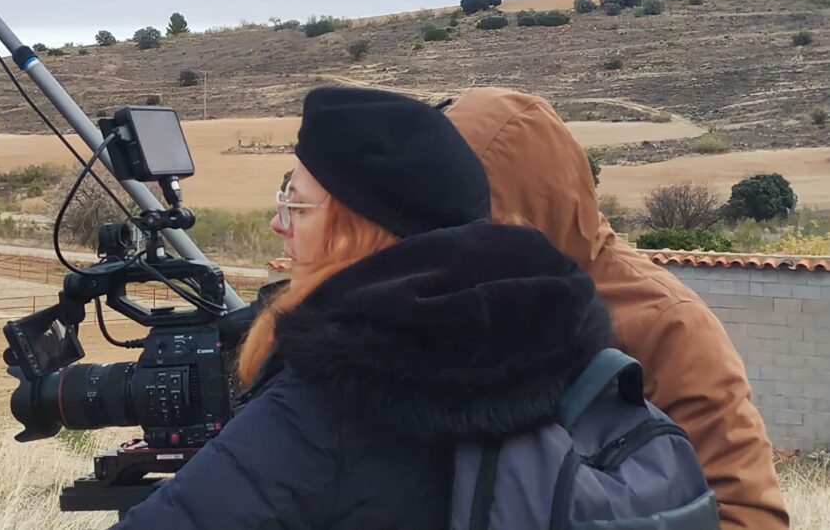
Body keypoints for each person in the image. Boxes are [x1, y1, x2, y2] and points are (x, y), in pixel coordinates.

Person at [114, 87, 708, 530]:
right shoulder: (548, 344)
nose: (278, 223)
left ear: (357, 231)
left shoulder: (333, 399)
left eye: (296, 204)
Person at [445, 86, 789, 530]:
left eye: (468, 222)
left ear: (529, 211)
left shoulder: (668, 323)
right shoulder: (478, 301)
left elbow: (747, 512)